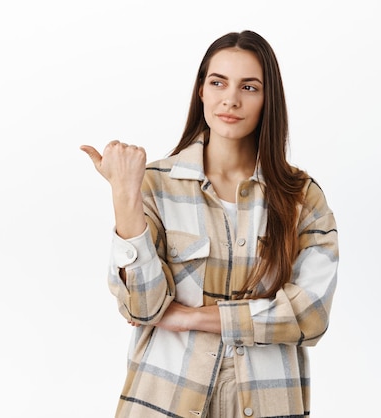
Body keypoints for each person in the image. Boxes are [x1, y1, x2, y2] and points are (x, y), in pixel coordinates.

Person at [80, 30, 338, 418]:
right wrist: (125, 197)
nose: (230, 99)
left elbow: (310, 315)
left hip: (268, 403)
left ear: (269, 99)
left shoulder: (301, 196)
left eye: (249, 87)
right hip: (165, 401)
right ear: (201, 90)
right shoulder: (154, 185)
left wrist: (193, 317)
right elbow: (144, 308)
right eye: (218, 82)